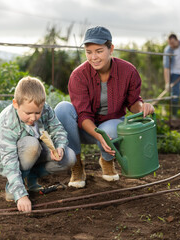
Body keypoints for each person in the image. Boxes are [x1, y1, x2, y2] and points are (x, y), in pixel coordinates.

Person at [55, 26, 155, 188]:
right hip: (83, 129)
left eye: (99, 51)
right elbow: (83, 115)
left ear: (111, 49)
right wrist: (99, 135)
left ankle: (107, 160)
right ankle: (77, 165)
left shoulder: (128, 71)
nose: (93, 57)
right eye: (89, 52)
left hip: (110, 126)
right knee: (62, 108)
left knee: (111, 129)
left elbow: (133, 102)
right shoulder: (78, 76)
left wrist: (143, 107)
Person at [0, 76, 76, 212]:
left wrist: (59, 146)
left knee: (69, 158)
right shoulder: (8, 123)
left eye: (37, 112)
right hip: (8, 159)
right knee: (32, 145)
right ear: (16, 104)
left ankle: (31, 178)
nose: (33, 118)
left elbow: (57, 129)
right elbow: (9, 160)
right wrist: (21, 196)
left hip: (34, 151)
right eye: (28, 113)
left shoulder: (45, 109)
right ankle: (12, 188)